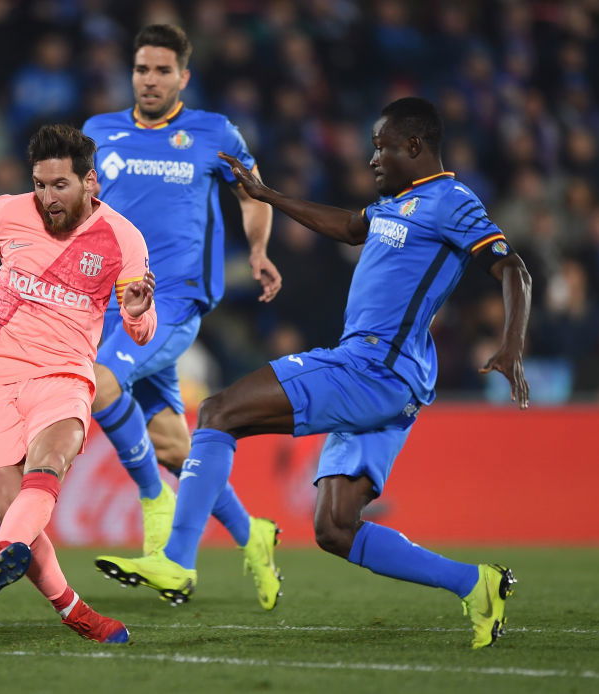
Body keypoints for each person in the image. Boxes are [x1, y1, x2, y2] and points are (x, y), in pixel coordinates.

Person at [96, 97, 532, 650]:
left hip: (373, 367)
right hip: (390, 378)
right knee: (335, 529)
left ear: (414, 146)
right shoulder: (394, 205)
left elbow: (512, 267)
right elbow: (348, 226)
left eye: (382, 147)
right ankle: (476, 584)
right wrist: (268, 195)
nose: (372, 158)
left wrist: (511, 344)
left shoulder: (452, 200)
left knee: (218, 412)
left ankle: (178, 560)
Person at [82, 24, 285, 610]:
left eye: (162, 70)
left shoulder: (213, 132)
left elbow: (252, 193)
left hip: (173, 299)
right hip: (111, 304)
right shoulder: (99, 132)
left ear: (183, 77)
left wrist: (258, 250)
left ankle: (155, 503)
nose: (150, 80)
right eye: (141, 69)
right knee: (173, 446)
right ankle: (252, 533)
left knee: (98, 384)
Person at [0, 124, 156, 644]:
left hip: (64, 374)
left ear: (89, 182)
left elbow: (142, 330)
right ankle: (74, 610)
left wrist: (136, 312)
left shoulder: (122, 237)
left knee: (51, 458)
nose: (47, 197)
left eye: (60, 185)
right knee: (6, 500)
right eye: (39, 184)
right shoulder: (5, 212)